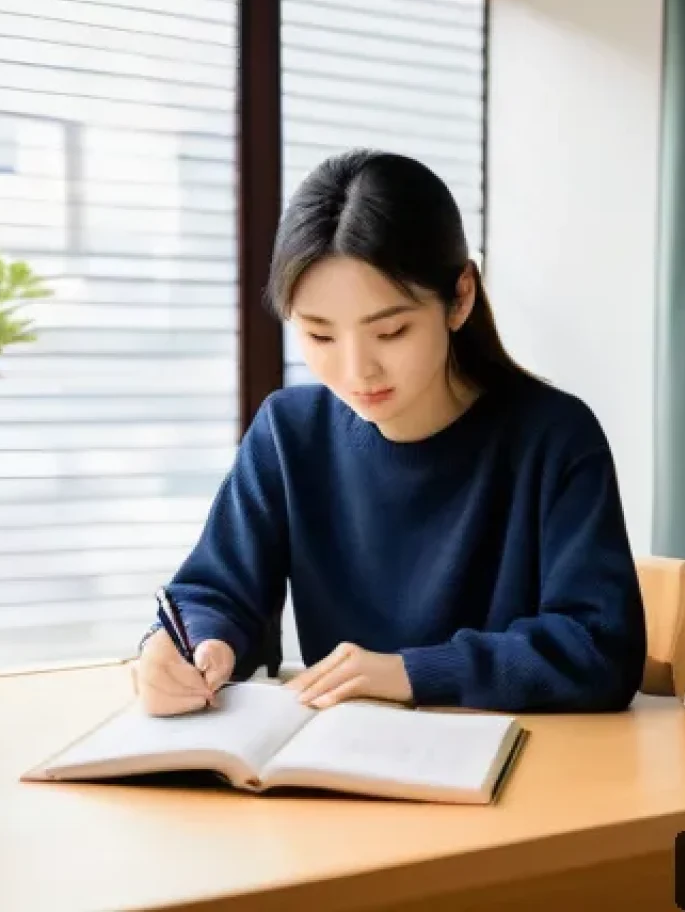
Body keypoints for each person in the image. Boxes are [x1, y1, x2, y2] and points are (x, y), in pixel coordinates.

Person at [133, 149, 647, 718]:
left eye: (392, 331)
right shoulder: (289, 432)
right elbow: (215, 592)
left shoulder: (554, 438)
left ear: (460, 298)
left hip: (522, 774)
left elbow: (601, 647)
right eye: (320, 337)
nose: (357, 372)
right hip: (345, 770)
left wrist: (410, 672)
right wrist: (191, 647)